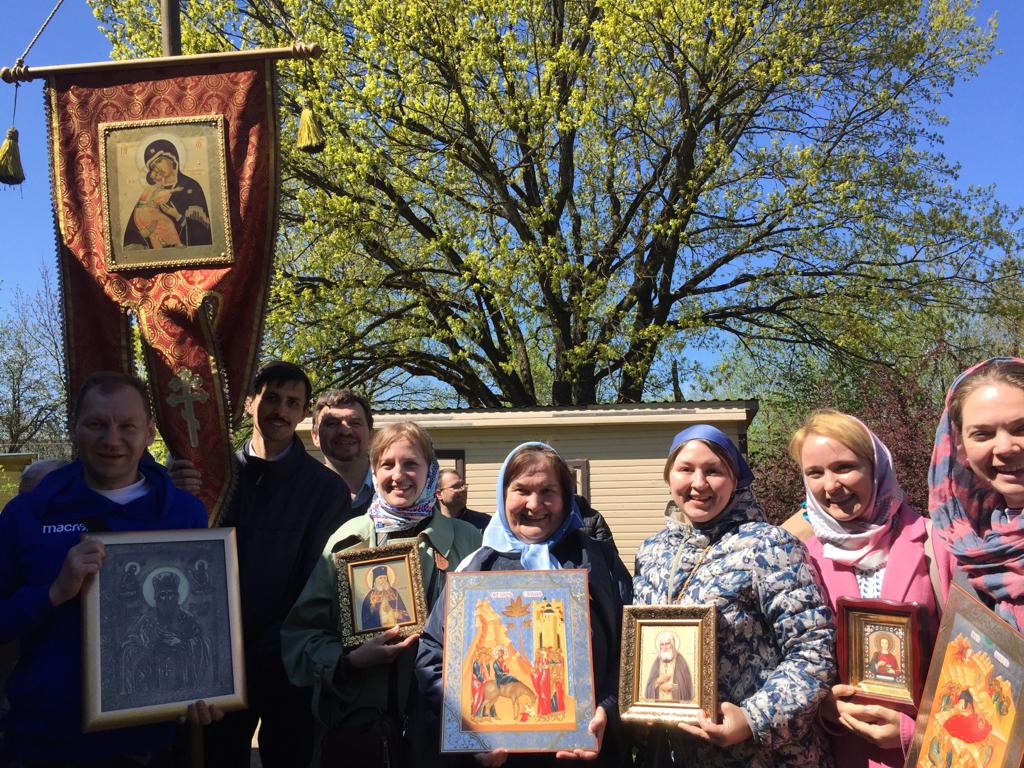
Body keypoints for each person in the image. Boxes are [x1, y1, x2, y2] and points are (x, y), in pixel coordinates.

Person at [0, 371, 218, 764]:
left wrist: (208, 685)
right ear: (74, 428)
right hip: (45, 739)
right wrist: (53, 593)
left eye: (127, 426)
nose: (112, 439)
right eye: (97, 424)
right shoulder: (26, 515)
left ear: (149, 431)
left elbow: (202, 622)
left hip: (146, 742)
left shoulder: (182, 513)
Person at [416, 441, 634, 767]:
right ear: (504, 495)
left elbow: (632, 647)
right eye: (521, 490)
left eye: (548, 491)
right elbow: (432, 655)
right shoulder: (477, 566)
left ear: (566, 497)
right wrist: (464, 727)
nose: (535, 504)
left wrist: (607, 707)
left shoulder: (597, 561)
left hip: (588, 754)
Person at [633, 425, 835, 768]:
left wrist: (753, 719)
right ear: (669, 476)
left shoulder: (768, 546)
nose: (699, 483)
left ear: (735, 479)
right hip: (684, 756)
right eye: (686, 469)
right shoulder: (652, 552)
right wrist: (643, 701)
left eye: (714, 470)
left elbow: (814, 649)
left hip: (768, 758)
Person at [282, 421, 482, 768]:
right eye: (387, 464)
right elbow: (302, 637)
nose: (398, 475)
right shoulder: (347, 541)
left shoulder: (469, 542)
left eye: (411, 464)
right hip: (363, 734)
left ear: (430, 471)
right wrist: (348, 660)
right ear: (373, 471)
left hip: (448, 731)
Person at [196, 361, 354, 768]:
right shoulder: (215, 479)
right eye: (271, 398)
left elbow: (319, 583)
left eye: (292, 402)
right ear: (250, 402)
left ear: (304, 415)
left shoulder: (326, 491)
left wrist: (274, 644)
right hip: (219, 662)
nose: (280, 410)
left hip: (290, 663)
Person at [789, 409, 949, 767]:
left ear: (876, 467)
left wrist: (916, 733)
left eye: (844, 467)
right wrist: (823, 706)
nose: (830, 485)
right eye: (815, 472)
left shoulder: (934, 543)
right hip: (844, 756)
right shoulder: (802, 559)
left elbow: (973, 662)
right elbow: (792, 661)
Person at [929, 356, 1024, 631]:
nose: (1005, 447)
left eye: (1022, 428)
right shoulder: (972, 542)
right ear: (960, 447)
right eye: (982, 434)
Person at [123, 139, 213, 249]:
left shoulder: (191, 187)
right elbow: (132, 233)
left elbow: (203, 229)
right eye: (153, 166)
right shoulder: (151, 191)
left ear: (173, 158)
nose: (157, 168)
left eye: (159, 160)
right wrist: (144, 236)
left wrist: (178, 217)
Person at [311, 388, 377, 516]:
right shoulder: (299, 493)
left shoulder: (400, 489)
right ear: (315, 436)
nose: (345, 431)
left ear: (370, 435)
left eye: (355, 423)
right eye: (332, 423)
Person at [644, 630, 692, 703]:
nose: (664, 647)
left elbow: (686, 687)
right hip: (659, 706)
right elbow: (648, 688)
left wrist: (673, 687)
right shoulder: (657, 661)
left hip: (676, 707)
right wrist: (657, 682)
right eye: (662, 644)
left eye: (667, 644)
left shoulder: (680, 661)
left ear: (672, 645)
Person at [361, 565, 412, 630]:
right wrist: (379, 617)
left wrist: (400, 615)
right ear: (375, 580)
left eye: (385, 578)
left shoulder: (394, 592)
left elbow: (405, 614)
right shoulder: (370, 596)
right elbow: (366, 620)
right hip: (379, 630)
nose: (383, 580)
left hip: (396, 628)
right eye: (380, 578)